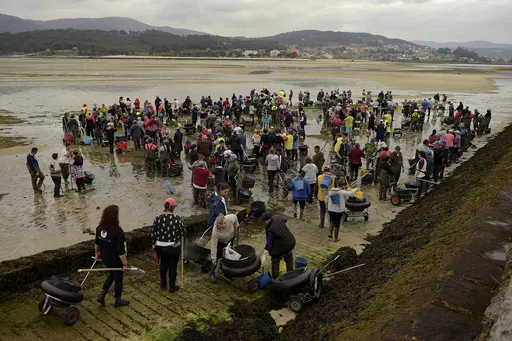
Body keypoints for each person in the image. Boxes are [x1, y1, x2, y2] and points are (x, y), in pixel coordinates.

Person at [95, 205, 130, 307]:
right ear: (115, 216)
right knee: (118, 277)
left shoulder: (99, 228)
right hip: (115, 260)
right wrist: (125, 264)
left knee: (111, 274)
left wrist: (97, 254)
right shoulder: (118, 231)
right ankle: (118, 300)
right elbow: (121, 251)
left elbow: (97, 244)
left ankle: (102, 295)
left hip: (105, 258)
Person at [152, 198, 185, 292]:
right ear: (173, 207)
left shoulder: (157, 218)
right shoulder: (177, 218)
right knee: (173, 266)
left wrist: (154, 248)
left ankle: (163, 284)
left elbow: (153, 234)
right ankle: (172, 286)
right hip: (173, 248)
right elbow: (183, 233)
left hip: (160, 248)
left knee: (163, 263)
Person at [261, 211, 296, 279]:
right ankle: (291, 275)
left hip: (283, 246)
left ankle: (275, 278)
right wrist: (280, 227)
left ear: (268, 220)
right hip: (291, 242)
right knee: (288, 256)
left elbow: (269, 245)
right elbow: (285, 220)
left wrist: (265, 253)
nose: (264, 223)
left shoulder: (270, 230)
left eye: (264, 221)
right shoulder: (277, 217)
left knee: (275, 259)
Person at [209, 213, 239, 283]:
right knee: (216, 256)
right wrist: (213, 258)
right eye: (219, 228)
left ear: (225, 222)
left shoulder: (231, 218)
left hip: (230, 239)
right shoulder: (215, 231)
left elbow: (236, 221)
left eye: (222, 227)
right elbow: (213, 245)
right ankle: (212, 273)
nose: (221, 229)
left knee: (229, 256)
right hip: (221, 243)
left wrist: (236, 230)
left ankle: (227, 272)